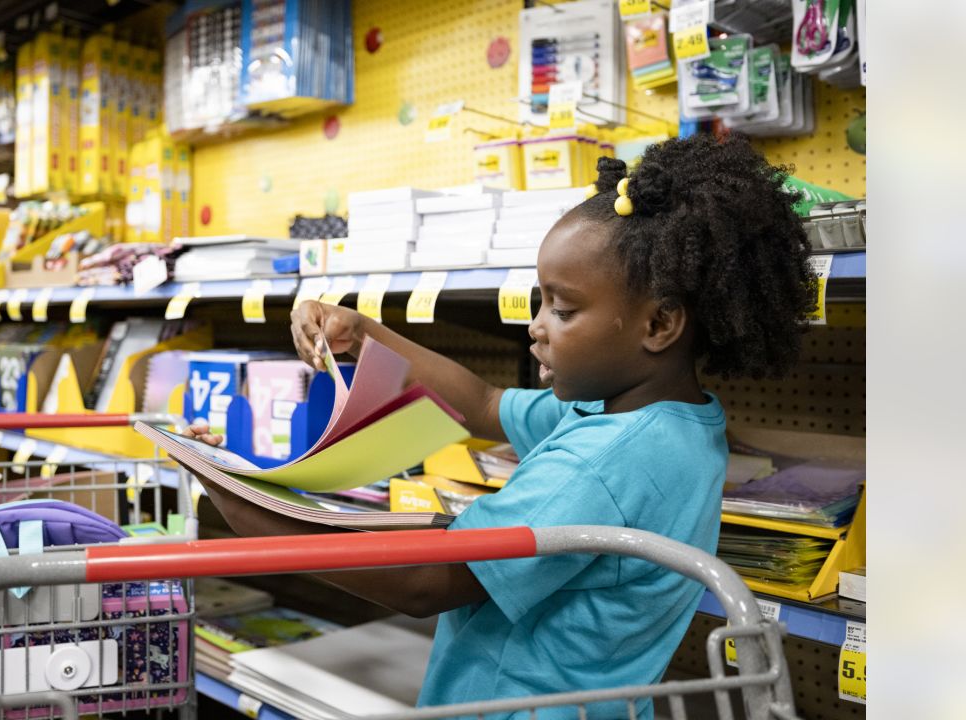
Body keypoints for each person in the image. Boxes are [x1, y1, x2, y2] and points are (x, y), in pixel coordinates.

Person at [184, 134, 815, 718]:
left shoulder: (608, 458)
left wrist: (242, 505)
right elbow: (483, 404)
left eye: (562, 309)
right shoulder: (654, 420)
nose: (536, 326)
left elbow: (427, 581)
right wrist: (364, 334)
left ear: (659, 325)